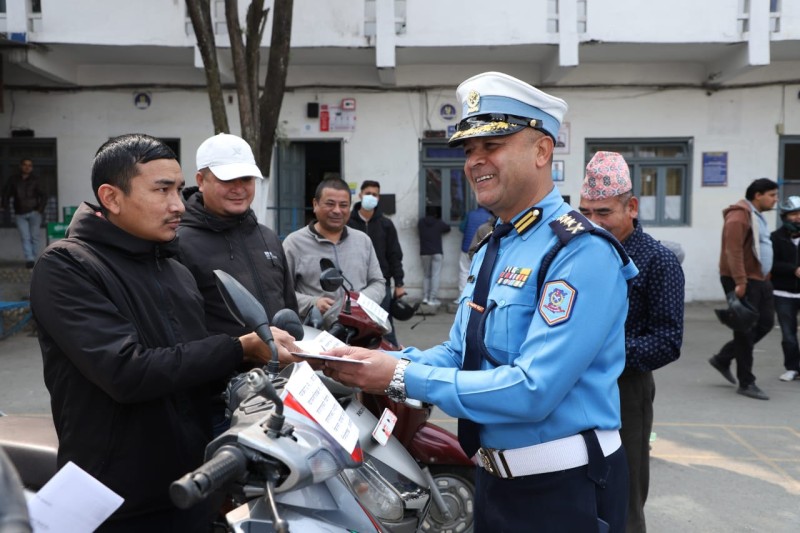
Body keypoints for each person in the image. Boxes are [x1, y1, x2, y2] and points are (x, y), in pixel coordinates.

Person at [323, 71, 638, 532]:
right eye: (470, 150)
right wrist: (377, 362)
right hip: (492, 481)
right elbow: (460, 353)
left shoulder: (580, 251)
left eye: (492, 146)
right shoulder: (495, 242)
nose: (475, 161)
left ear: (542, 150)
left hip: (563, 490)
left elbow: (533, 390)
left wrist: (403, 376)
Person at [29, 134, 290, 532]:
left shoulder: (174, 268)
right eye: (162, 190)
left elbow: (194, 369)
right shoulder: (67, 265)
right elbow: (126, 372)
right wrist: (239, 349)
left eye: (178, 190)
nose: (178, 205)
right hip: (115, 496)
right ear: (112, 198)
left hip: (191, 483)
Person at [579, 151, 685, 533]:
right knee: (574, 486)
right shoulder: (577, 254)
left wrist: (607, 352)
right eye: (585, 212)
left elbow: (668, 341)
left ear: (632, 207)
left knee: (623, 493)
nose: (593, 223)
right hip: (571, 384)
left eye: (603, 212)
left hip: (625, 390)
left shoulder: (658, 261)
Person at [177, 132, 300, 433]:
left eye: (246, 179)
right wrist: (238, 351)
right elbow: (179, 332)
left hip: (279, 393)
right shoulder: (178, 242)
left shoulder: (267, 236)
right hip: (216, 403)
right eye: (227, 180)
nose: (239, 189)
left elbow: (289, 307)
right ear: (201, 180)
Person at [709, 177, 778, 400]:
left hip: (760, 278)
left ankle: (723, 357)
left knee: (766, 323)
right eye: (772, 195)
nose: (775, 200)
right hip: (744, 279)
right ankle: (747, 382)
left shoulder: (756, 215)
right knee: (745, 331)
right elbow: (733, 250)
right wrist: (740, 281)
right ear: (758, 195)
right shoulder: (739, 216)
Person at [283, 177, 386, 327]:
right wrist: (312, 303)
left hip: (358, 332)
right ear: (315, 204)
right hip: (313, 334)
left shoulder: (363, 241)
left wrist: (357, 301)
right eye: (330, 204)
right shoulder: (294, 243)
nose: (337, 210)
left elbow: (378, 282)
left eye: (343, 205)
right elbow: (281, 292)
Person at [346, 180, 406, 345]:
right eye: (368, 194)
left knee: (383, 324)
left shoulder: (385, 224)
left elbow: (394, 254)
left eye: (375, 194)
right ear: (360, 195)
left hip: (381, 283)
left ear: (379, 198)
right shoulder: (348, 223)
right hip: (354, 283)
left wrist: (399, 283)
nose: (371, 197)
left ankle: (393, 359)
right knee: (354, 324)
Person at [770, 195, 800, 382]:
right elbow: (771, 264)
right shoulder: (775, 237)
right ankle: (792, 368)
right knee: (788, 334)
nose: (798, 218)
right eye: (794, 214)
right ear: (784, 216)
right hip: (783, 293)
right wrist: (793, 269)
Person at [1, 158, 46, 268]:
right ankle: (29, 260)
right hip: (19, 213)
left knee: (34, 237)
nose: (27, 167)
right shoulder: (14, 180)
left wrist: (39, 209)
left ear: (32, 167)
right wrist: (4, 206)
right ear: (21, 166)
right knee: (25, 237)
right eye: (25, 165)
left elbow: (44, 195)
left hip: (34, 212)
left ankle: (34, 259)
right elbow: (6, 194)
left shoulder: (36, 179)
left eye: (29, 165)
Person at [418, 205, 451, 306]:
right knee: (435, 276)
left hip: (424, 253)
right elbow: (448, 228)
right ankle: (432, 299)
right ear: (436, 214)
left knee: (426, 275)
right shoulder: (439, 223)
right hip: (437, 252)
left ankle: (425, 297)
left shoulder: (421, 222)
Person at [458, 204, 492, 297]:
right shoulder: (490, 218)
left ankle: (462, 295)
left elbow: (461, 228)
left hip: (466, 247)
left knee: (464, 271)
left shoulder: (470, 214)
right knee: (477, 273)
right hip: (481, 250)